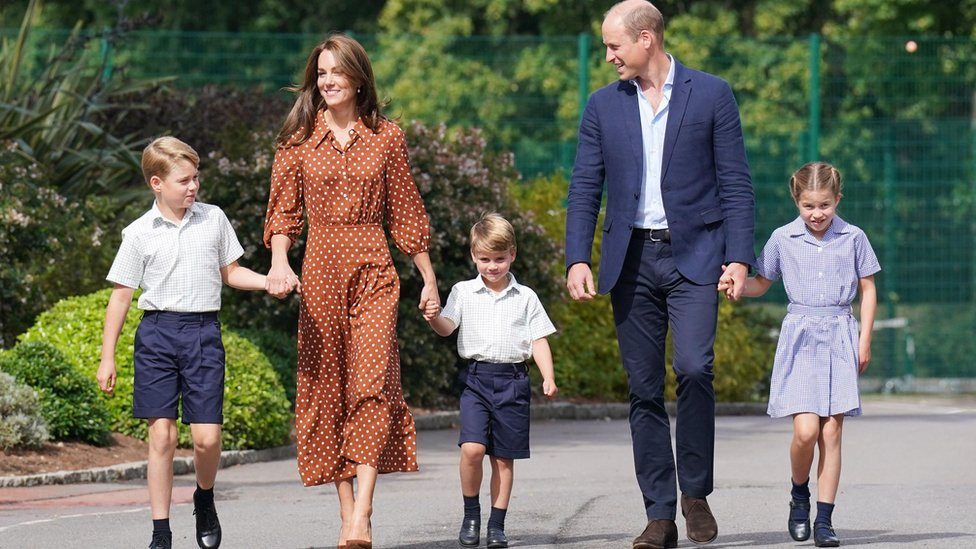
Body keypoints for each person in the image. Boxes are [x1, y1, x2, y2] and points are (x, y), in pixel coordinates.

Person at [564, 1, 756, 547]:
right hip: (630, 261)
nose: (608, 57)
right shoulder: (603, 106)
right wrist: (577, 257)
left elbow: (736, 183)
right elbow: (584, 187)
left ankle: (695, 493)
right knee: (644, 389)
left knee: (695, 369)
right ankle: (660, 514)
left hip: (695, 256)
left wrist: (739, 258)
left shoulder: (712, 94)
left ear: (646, 39)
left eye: (614, 46)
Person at [262, 34, 439, 549]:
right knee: (326, 393)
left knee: (371, 382)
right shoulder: (296, 140)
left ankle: (362, 511)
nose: (328, 81)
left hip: (374, 273)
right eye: (321, 73)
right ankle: (347, 515)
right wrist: (278, 263)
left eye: (338, 72)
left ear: (359, 78)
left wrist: (428, 277)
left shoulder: (387, 138)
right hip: (318, 275)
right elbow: (283, 214)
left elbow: (405, 212)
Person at [96, 136, 268, 549]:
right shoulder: (138, 233)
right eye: (184, 180)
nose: (193, 187)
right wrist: (107, 358)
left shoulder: (213, 219)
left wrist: (268, 282)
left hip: (203, 333)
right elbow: (121, 296)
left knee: (206, 438)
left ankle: (204, 498)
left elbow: (232, 272)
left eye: (196, 179)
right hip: (156, 335)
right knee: (162, 437)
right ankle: (161, 532)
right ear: (157, 183)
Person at [718, 162, 879, 547]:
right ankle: (799, 493)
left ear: (837, 199)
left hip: (840, 334)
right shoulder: (782, 238)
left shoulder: (854, 237)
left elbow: (868, 289)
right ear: (797, 201)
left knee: (832, 431)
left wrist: (865, 340)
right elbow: (762, 282)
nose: (817, 213)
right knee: (806, 432)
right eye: (808, 206)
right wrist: (736, 284)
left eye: (824, 204)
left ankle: (824, 520)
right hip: (801, 337)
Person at [426, 212, 557, 549]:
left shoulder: (525, 296)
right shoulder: (463, 292)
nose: (492, 266)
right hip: (476, 379)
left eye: (499, 258)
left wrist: (548, 377)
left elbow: (539, 339)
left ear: (512, 254)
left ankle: (496, 526)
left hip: (513, 380)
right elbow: (447, 327)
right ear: (474, 256)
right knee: (472, 448)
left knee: (502, 457)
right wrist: (433, 318)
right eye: (485, 259)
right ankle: (472, 514)